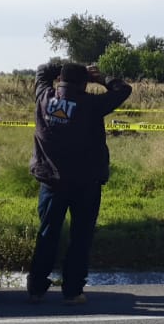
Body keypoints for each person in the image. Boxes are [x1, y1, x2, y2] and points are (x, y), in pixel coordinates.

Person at [26, 61, 133, 304]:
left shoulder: (43, 96)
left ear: (59, 79)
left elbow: (42, 69)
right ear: (84, 82)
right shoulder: (91, 104)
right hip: (86, 182)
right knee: (80, 236)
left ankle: (36, 287)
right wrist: (102, 79)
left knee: (47, 232)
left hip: (51, 181)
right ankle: (72, 290)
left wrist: (67, 68)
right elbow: (123, 90)